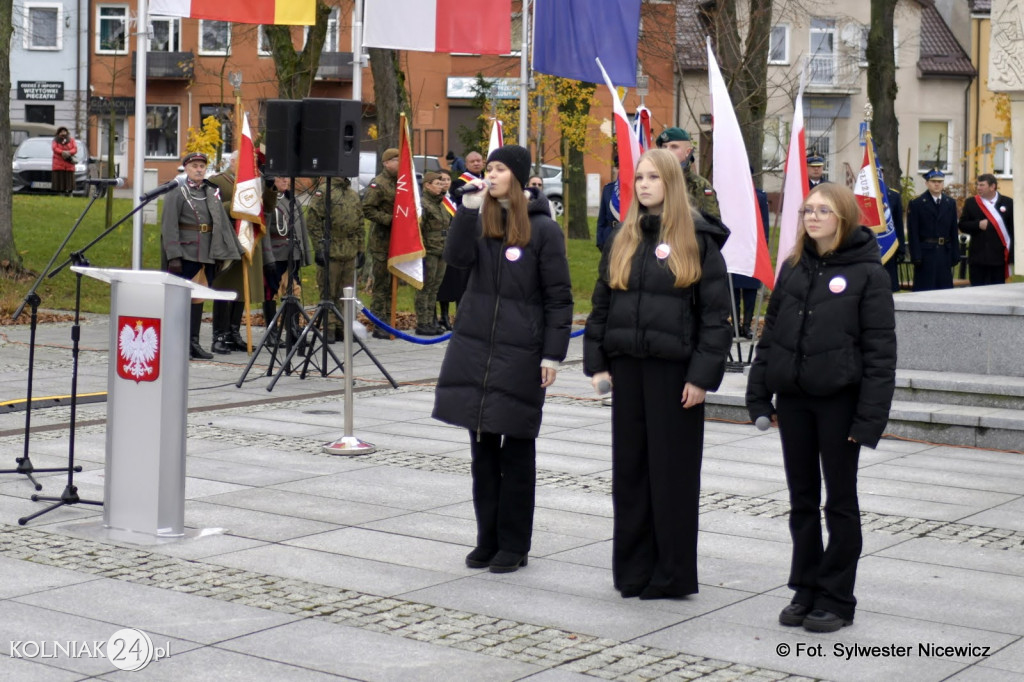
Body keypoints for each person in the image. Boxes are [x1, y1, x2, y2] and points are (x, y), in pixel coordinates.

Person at [746, 182, 896, 633]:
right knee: (802, 500)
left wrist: (868, 419)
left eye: (823, 211)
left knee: (841, 503)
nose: (812, 217)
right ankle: (805, 587)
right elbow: (770, 334)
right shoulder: (794, 266)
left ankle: (837, 597)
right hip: (794, 401)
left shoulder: (869, 274)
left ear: (843, 218)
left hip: (840, 404)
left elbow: (880, 352)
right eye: (807, 210)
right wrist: (758, 393)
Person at [583, 148, 732, 600]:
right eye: (639, 178)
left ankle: (671, 574)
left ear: (671, 182)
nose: (644, 185)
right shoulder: (622, 238)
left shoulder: (698, 239)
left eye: (653, 178)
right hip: (629, 369)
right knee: (630, 473)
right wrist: (598, 361)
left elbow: (715, 316)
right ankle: (633, 571)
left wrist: (702, 377)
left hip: (675, 375)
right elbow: (602, 304)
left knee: (672, 476)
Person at [433, 144, 573, 574]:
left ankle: (515, 543)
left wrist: (553, 354)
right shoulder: (478, 221)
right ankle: (486, 538)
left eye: (498, 170)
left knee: (516, 451)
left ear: (515, 176)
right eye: (487, 169)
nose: (490, 176)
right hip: (475, 350)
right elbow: (454, 262)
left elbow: (559, 297)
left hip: (521, 354)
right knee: (482, 452)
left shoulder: (542, 230)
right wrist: (469, 210)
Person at [161, 151, 242, 360]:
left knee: (198, 300)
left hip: (206, 253)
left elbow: (220, 223)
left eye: (202, 166)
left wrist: (222, 252)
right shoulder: (177, 191)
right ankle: (177, 344)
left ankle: (193, 343)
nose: (199, 170)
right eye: (194, 166)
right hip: (185, 253)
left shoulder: (211, 192)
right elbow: (169, 226)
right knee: (180, 301)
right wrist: (174, 255)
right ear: (186, 168)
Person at [208, 151, 275, 354]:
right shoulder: (217, 181)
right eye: (248, 161)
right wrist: (239, 203)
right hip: (227, 241)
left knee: (241, 288)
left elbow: (268, 208)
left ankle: (233, 333)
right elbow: (212, 208)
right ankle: (219, 335)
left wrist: (271, 188)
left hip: (248, 241)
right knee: (224, 289)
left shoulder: (255, 183)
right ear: (234, 161)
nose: (251, 165)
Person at [262, 176, 313, 343]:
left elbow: (301, 229)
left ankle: (293, 329)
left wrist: (304, 253)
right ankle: (272, 332)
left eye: (287, 178)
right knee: (272, 293)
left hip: (292, 252)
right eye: (281, 178)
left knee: (294, 291)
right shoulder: (267, 199)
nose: (286, 181)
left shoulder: (292, 199)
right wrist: (267, 255)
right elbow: (264, 231)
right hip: (276, 253)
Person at [437, 150, 485, 330]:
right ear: (466, 164)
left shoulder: (488, 182)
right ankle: (448, 316)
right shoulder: (460, 184)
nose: (476, 163)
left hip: (482, 233)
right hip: (464, 233)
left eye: (479, 160)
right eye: (472, 161)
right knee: (455, 279)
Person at [362, 148, 400, 339]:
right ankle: (379, 324)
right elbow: (367, 209)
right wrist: (389, 219)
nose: (399, 162)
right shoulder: (379, 183)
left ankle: (390, 321)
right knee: (381, 285)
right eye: (395, 159)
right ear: (386, 163)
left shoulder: (402, 184)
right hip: (382, 242)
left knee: (393, 283)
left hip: (398, 241)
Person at [907, 169, 959, 291]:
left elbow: (953, 230)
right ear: (927, 183)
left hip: (944, 252)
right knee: (925, 288)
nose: (937, 184)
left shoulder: (949, 202)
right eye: (933, 181)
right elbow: (913, 232)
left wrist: (955, 253)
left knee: (944, 289)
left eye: (940, 182)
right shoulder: (917, 203)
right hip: (926, 253)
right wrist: (916, 255)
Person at [958, 173, 1014, 286]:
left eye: (982, 185)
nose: (978, 188)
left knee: (998, 294)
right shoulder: (971, 203)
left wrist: (1011, 257)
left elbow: (1013, 231)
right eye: (977, 185)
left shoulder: (1008, 203)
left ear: (992, 186)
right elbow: (962, 225)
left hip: (999, 260)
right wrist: (977, 225)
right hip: (978, 259)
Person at [654, 127, 721, 220]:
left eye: (674, 147)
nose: (667, 151)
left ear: (688, 152)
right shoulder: (652, 181)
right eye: (664, 147)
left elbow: (714, 225)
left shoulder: (699, 185)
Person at [731, 183, 771, 338]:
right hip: (732, 247)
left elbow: (764, 223)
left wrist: (763, 246)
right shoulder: (728, 195)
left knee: (750, 290)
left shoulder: (759, 196)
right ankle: (735, 325)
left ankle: (747, 325)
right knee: (732, 289)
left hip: (751, 248)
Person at [414, 171, 450, 335]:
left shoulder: (440, 203)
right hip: (428, 251)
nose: (441, 185)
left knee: (435, 288)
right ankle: (422, 322)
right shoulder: (423, 204)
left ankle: (430, 321)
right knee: (425, 288)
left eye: (442, 183)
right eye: (437, 183)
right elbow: (417, 230)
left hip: (441, 250)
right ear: (427, 185)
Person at [879, 165, 907, 292]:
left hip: (889, 244)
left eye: (880, 172)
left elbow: (898, 225)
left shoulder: (893, 195)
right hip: (869, 247)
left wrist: (901, 249)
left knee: (889, 286)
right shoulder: (862, 197)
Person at [596, 167, 620, 252]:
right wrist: (600, 241)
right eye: (618, 168)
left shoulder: (635, 189)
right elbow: (601, 218)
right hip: (610, 235)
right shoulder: (608, 189)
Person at [51, 127, 77, 196]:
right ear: (58, 133)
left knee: (69, 178)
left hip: (69, 163)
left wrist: (69, 152)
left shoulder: (71, 140)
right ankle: (61, 192)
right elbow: (54, 148)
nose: (63, 133)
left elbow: (75, 149)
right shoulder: (55, 140)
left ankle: (70, 192)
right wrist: (62, 152)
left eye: (64, 131)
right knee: (60, 179)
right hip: (59, 164)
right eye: (61, 131)